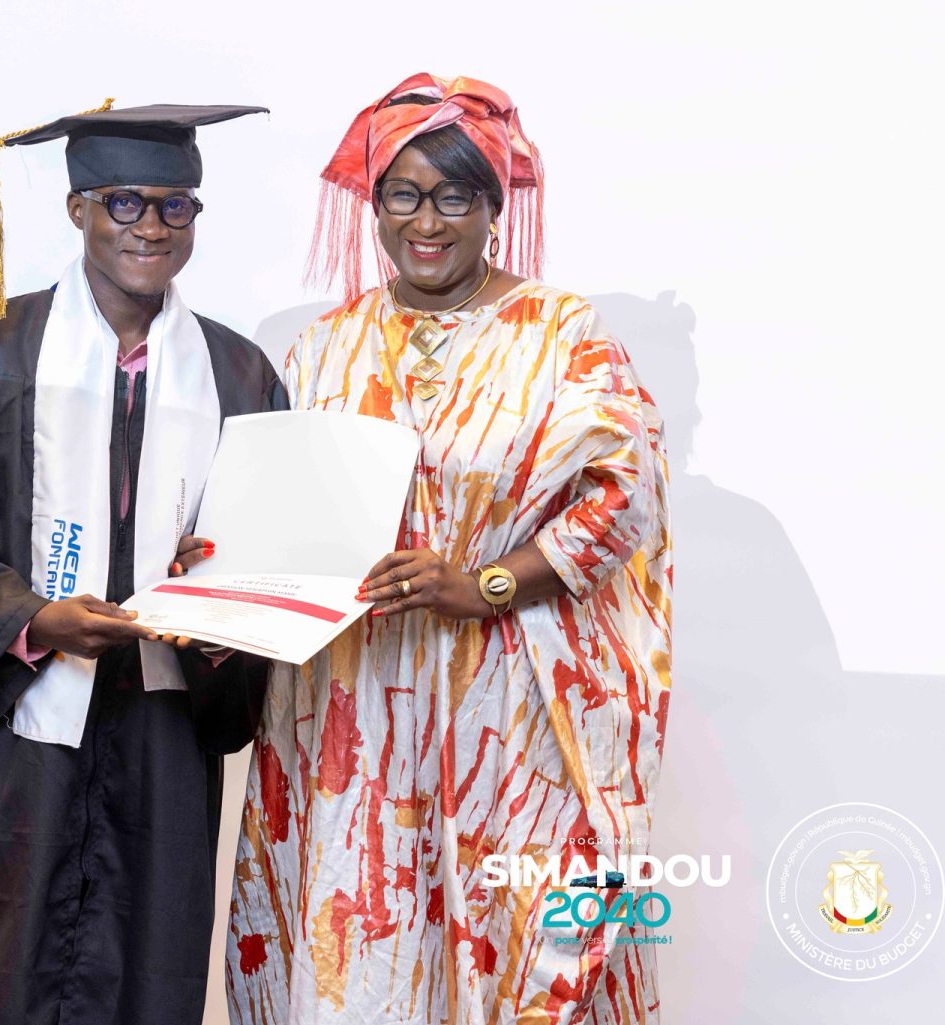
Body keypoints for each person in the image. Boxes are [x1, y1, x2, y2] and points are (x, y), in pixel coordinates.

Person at [226, 74, 672, 1024]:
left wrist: (485, 584)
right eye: (403, 194)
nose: (426, 222)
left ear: (495, 206)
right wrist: (224, 560)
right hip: (353, 713)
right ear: (374, 204)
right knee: (365, 937)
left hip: (502, 709)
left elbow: (624, 495)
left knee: (516, 950)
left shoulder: (562, 337)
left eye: (454, 196)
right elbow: (284, 505)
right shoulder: (324, 347)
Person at [0, 101, 283, 1025]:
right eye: (125, 202)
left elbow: (265, 551)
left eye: (175, 206)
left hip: (158, 736)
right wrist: (30, 619)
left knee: (141, 970)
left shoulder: (239, 375)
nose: (151, 227)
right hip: (11, 741)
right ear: (77, 209)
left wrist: (216, 602)